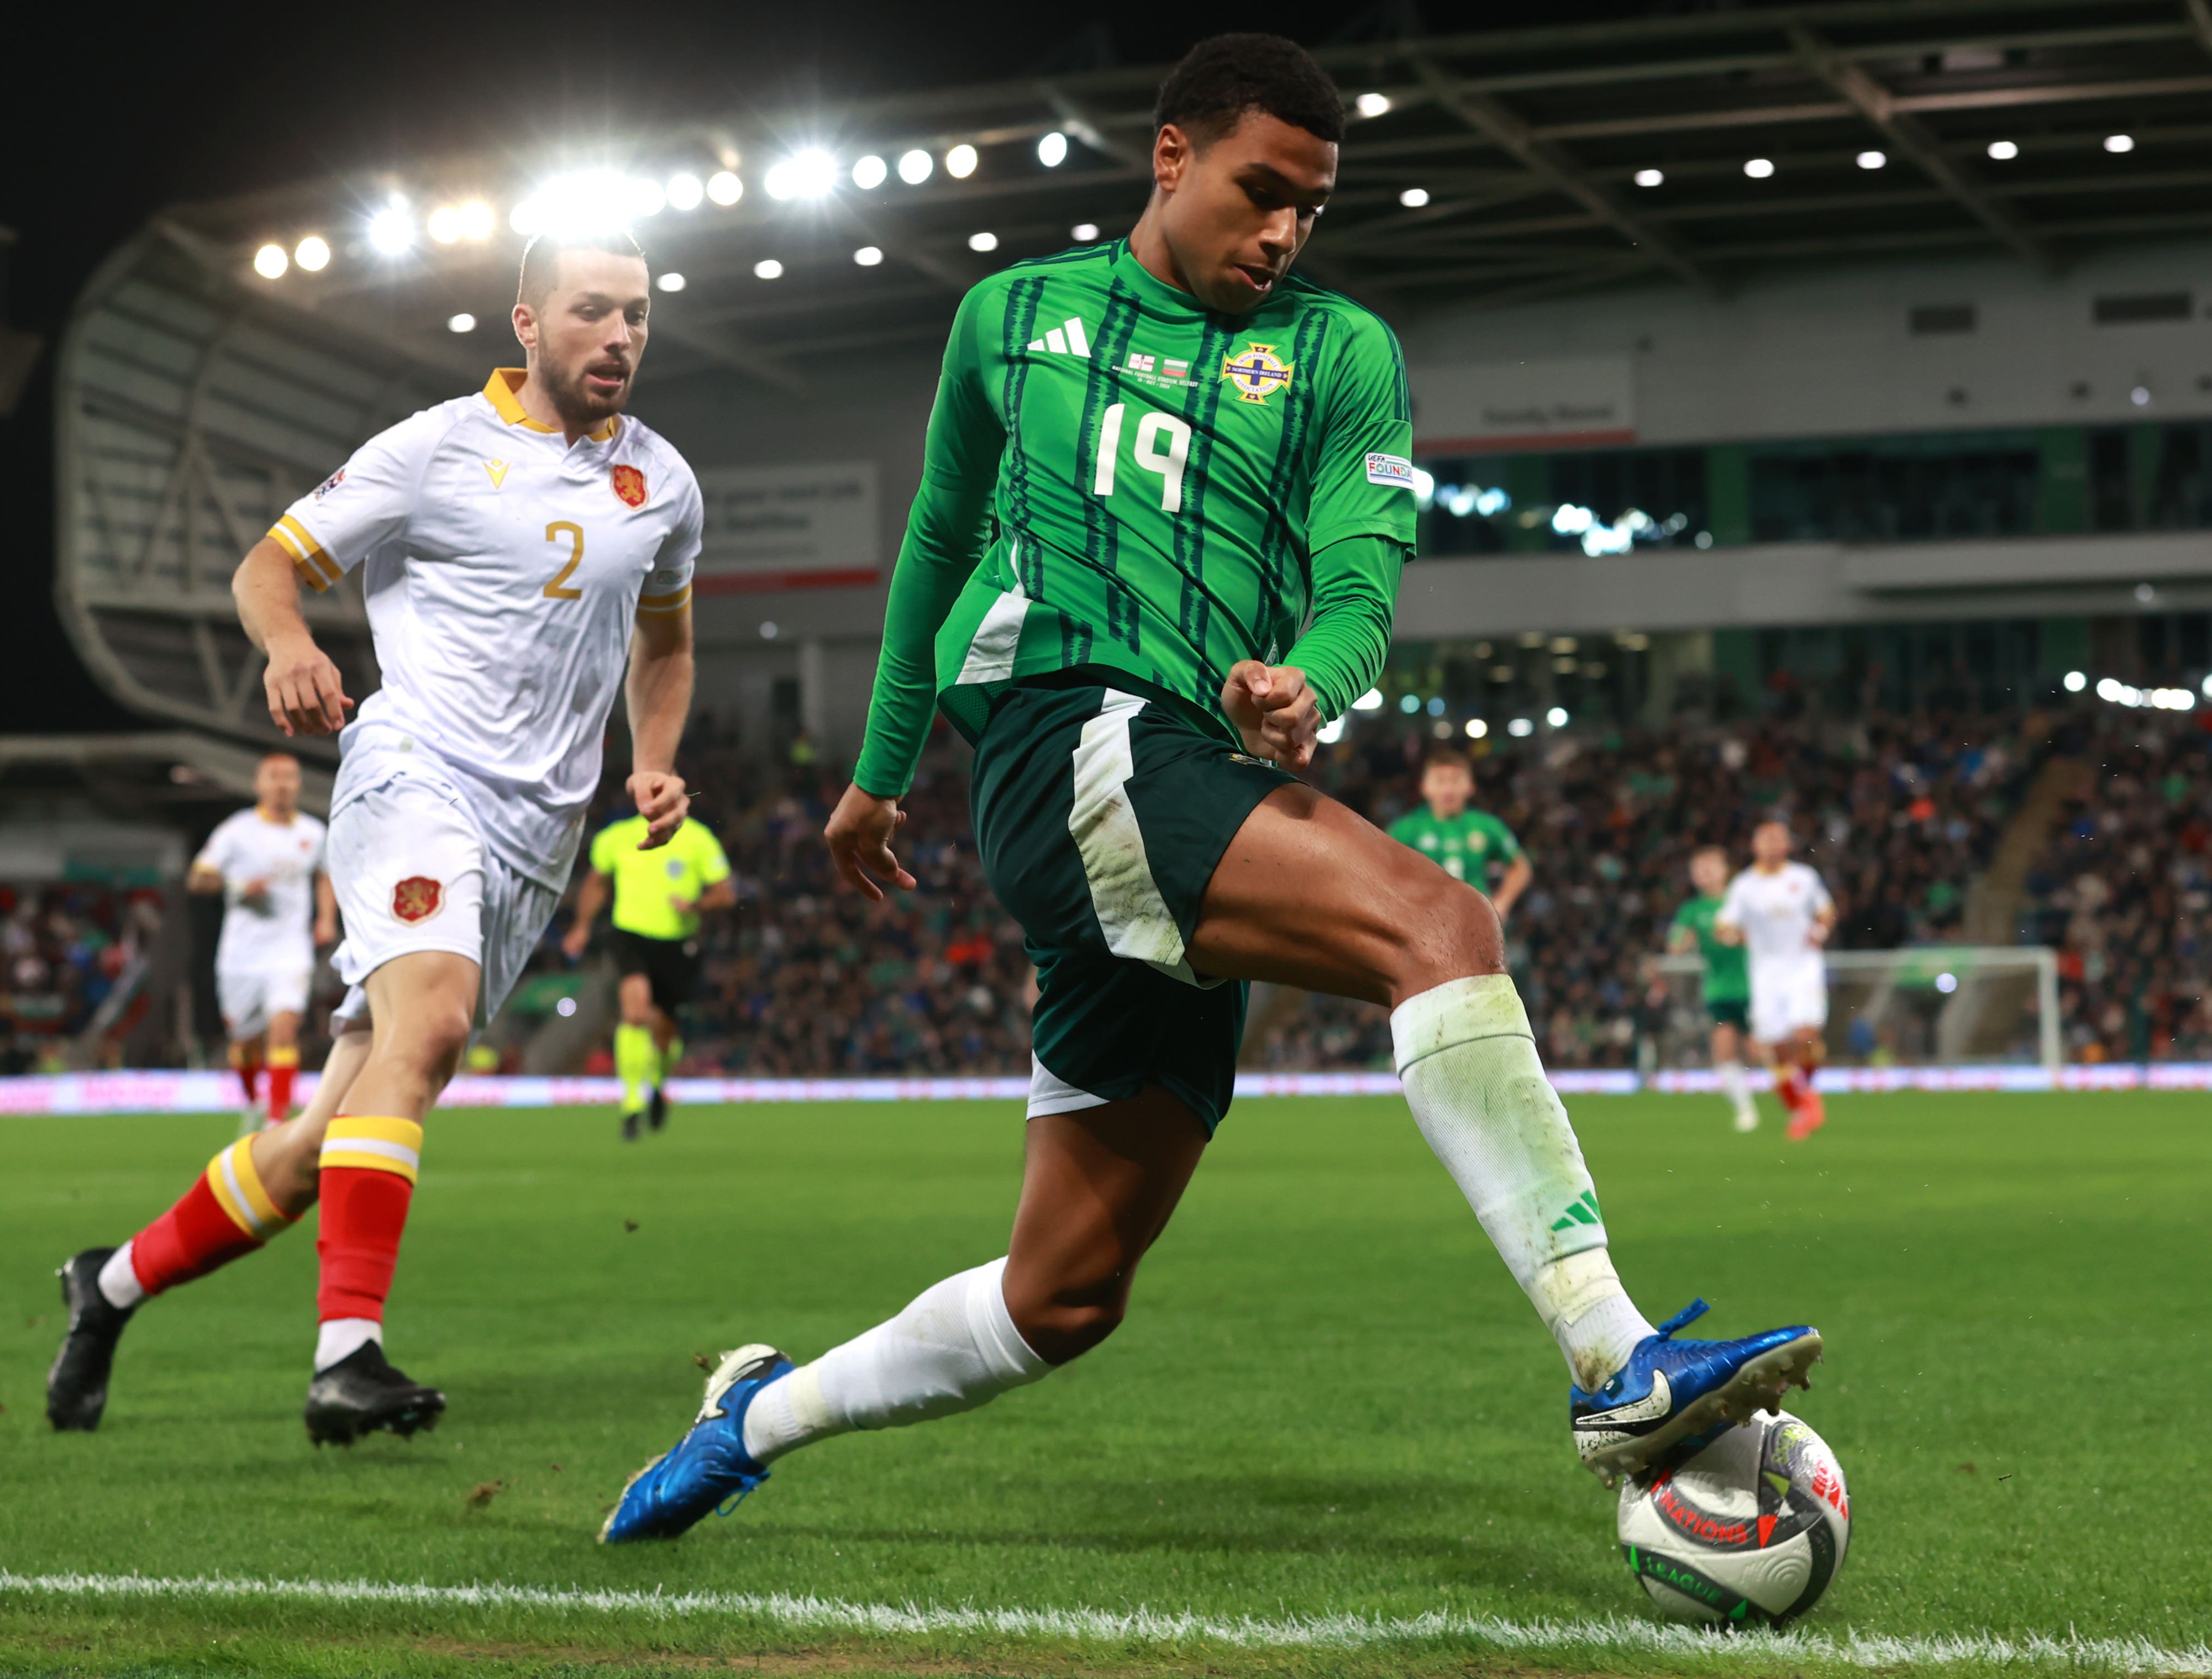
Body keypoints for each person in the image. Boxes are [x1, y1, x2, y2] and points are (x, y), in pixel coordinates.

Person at [601, 34, 1821, 1545]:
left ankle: (753, 1414)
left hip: (1193, 765)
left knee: (1063, 1290)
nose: (1283, 233)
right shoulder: (1010, 316)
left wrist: (1311, 675)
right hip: (1067, 740)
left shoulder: (1336, 352)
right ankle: (1610, 1355)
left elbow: (1360, 574)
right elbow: (932, 540)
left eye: (1310, 206)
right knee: (1436, 923)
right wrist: (873, 768)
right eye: (1260, 193)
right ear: (1169, 156)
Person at [46, 227, 705, 1443]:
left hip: (534, 838)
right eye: (591, 312)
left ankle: (110, 1283)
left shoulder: (661, 480)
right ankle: (345, 1358)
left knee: (313, 1149)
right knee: (437, 1018)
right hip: (415, 776)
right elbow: (267, 567)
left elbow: (662, 646)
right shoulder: (434, 448)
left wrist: (655, 760)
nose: (619, 336)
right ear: (525, 324)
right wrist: (291, 645)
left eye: (638, 315)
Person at [563, 808, 734, 1140]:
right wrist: (582, 927)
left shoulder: (698, 839)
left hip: (677, 942)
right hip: (630, 935)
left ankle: (657, 1080)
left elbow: (725, 894)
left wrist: (696, 906)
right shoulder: (617, 836)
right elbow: (597, 883)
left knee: (665, 1032)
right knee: (635, 1012)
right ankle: (630, 1104)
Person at [188, 752, 334, 1133]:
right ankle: (253, 1102)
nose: (283, 783)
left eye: (290, 776)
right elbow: (198, 878)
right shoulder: (236, 831)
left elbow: (325, 874)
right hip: (241, 955)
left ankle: (277, 1119)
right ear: (258, 784)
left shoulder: (313, 833)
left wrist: (326, 919)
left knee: (285, 1026)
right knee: (245, 1043)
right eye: (274, 776)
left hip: (290, 950)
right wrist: (238, 887)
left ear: (299, 784)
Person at [1716, 820, 1836, 1141]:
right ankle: (1800, 1110)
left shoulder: (1804, 878)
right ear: (1755, 846)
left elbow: (1826, 911)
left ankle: (1807, 1097)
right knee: (1777, 1048)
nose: (1771, 845)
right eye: (1765, 840)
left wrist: (1821, 930)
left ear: (1787, 845)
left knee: (1806, 1035)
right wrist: (1729, 934)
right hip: (1766, 974)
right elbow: (1725, 923)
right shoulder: (1744, 885)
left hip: (1803, 966)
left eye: (1777, 839)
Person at [1668, 845, 1760, 1132]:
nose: (1705, 875)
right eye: (1699, 870)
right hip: (1719, 990)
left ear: (1724, 871)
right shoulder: (1692, 910)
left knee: (1759, 1052)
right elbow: (1675, 946)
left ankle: (1797, 1099)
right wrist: (1684, 943)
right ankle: (1746, 1110)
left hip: (1754, 988)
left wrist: (1741, 936)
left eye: (1710, 868)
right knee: (1723, 1052)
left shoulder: (1742, 901)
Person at [1386, 748, 1531, 920]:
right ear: (1424, 787)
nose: (1448, 789)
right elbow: (1380, 869)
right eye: (1440, 781)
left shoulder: (1486, 826)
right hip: (1422, 922)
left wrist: (1502, 903)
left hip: (1476, 921)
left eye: (1455, 781)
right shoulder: (1406, 829)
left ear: (1470, 786)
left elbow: (1520, 866)